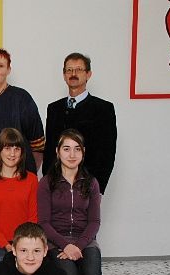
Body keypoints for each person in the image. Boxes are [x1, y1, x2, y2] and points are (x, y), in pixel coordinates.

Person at [38, 129, 102, 275]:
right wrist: (66, 245)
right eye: (66, 149)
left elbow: (94, 221)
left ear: (83, 152)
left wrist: (78, 246)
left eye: (77, 149)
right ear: (57, 152)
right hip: (56, 241)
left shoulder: (92, 183)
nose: (72, 154)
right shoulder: (46, 183)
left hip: (85, 240)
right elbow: (43, 223)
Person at [44, 52, 117, 194]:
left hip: (87, 186)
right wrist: (48, 182)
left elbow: (107, 152)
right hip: (57, 185)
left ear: (88, 74)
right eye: (69, 70)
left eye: (78, 69)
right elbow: (49, 149)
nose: (73, 74)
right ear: (64, 75)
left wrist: (97, 188)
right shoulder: (54, 109)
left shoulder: (103, 109)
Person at [0, 48, 43, 173]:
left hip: (18, 174)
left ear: (8, 70)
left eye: (0, 66)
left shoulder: (21, 97)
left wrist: (29, 174)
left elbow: (37, 142)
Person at [0, 128, 38, 269]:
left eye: (16, 149)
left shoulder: (31, 180)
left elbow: (33, 217)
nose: (12, 154)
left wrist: (21, 245)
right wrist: (6, 245)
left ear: (22, 152)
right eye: (7, 148)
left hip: (26, 241)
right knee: (3, 270)